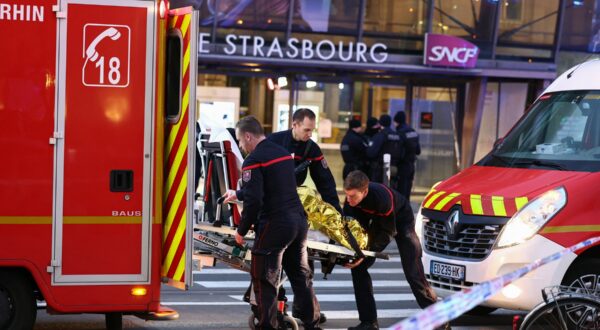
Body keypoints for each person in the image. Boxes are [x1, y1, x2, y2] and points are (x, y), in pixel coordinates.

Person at [225, 116, 321, 330]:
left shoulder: (254, 160)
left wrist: (241, 231)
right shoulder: (282, 153)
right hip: (298, 222)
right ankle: (312, 324)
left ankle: (268, 325)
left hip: (275, 224)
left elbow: (255, 200)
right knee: (300, 275)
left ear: (248, 136)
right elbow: (276, 186)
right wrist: (238, 193)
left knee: (265, 278)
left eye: (240, 141)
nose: (241, 146)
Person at [342, 170, 439, 330]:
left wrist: (365, 254)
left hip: (400, 221)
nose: (348, 200)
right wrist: (353, 252)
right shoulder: (350, 201)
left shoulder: (382, 199)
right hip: (374, 222)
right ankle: (369, 322)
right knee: (358, 268)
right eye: (347, 195)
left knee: (413, 273)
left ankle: (440, 320)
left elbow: (388, 232)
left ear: (364, 192)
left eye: (353, 196)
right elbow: (349, 230)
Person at [268, 108, 342, 213]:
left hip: (293, 198)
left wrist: (336, 210)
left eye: (312, 130)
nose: (310, 134)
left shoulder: (312, 149)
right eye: (307, 130)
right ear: (294, 125)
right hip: (270, 197)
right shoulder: (274, 141)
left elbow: (325, 182)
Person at [366, 114, 404, 189]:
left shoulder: (380, 135)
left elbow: (370, 153)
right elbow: (402, 152)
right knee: (391, 189)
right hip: (394, 167)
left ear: (380, 123)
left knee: (379, 190)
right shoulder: (397, 136)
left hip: (380, 169)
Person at [393, 111, 421, 201]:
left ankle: (401, 212)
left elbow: (397, 152)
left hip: (402, 166)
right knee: (407, 192)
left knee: (401, 191)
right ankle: (407, 210)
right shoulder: (413, 132)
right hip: (411, 166)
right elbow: (418, 151)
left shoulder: (400, 133)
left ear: (397, 121)